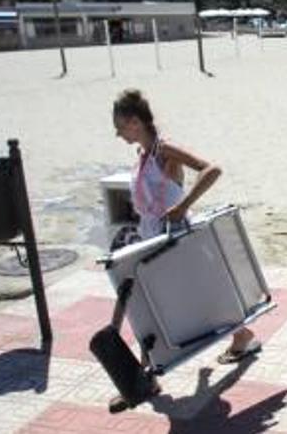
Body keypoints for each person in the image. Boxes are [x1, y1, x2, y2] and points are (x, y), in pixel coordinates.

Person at [111, 89, 260, 367]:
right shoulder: (142, 154)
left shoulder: (163, 150)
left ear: (135, 122)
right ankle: (151, 370)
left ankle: (150, 370)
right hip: (152, 238)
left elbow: (211, 169)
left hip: (174, 240)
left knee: (183, 297)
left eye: (120, 127)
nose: (118, 134)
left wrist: (183, 205)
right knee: (166, 299)